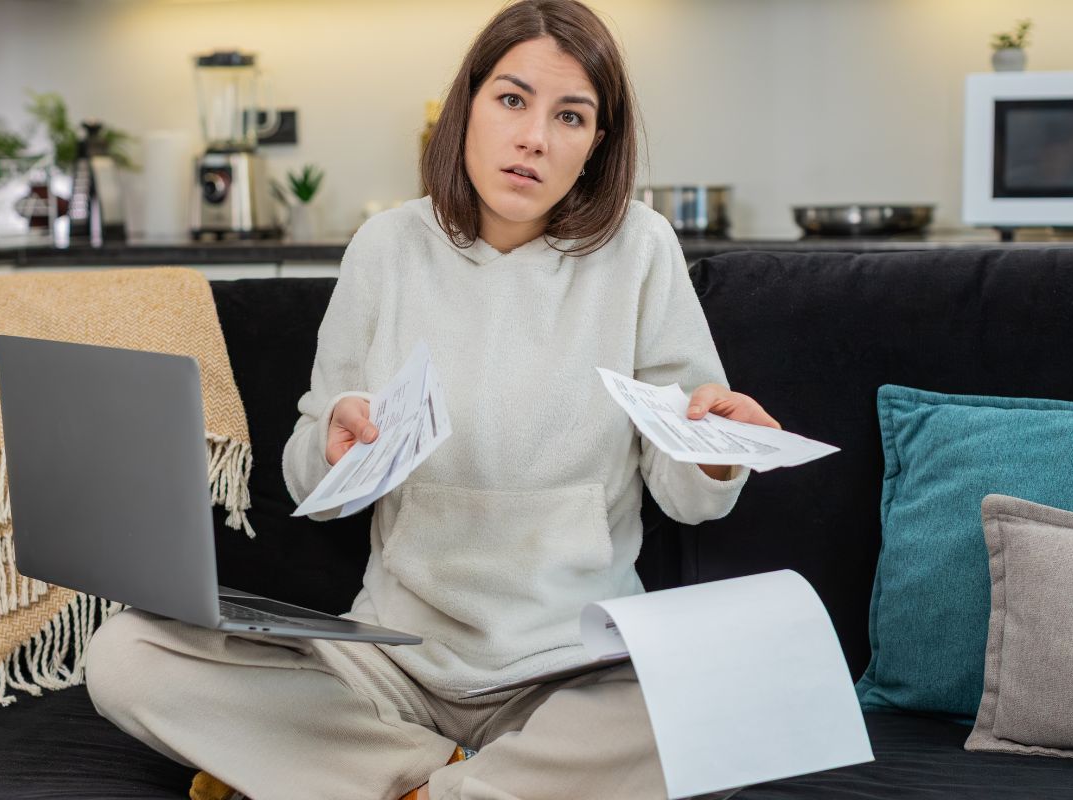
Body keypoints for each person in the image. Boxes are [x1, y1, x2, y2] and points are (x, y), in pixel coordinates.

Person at [85, 2, 778, 799]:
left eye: (571, 116)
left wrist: (717, 457)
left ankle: (387, 785)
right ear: (468, 107)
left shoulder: (641, 249)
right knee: (124, 655)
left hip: (572, 667)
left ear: (596, 146)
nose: (534, 139)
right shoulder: (387, 248)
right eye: (512, 100)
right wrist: (334, 445)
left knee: (734, 700)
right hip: (391, 660)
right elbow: (313, 476)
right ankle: (455, 781)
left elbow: (687, 496)